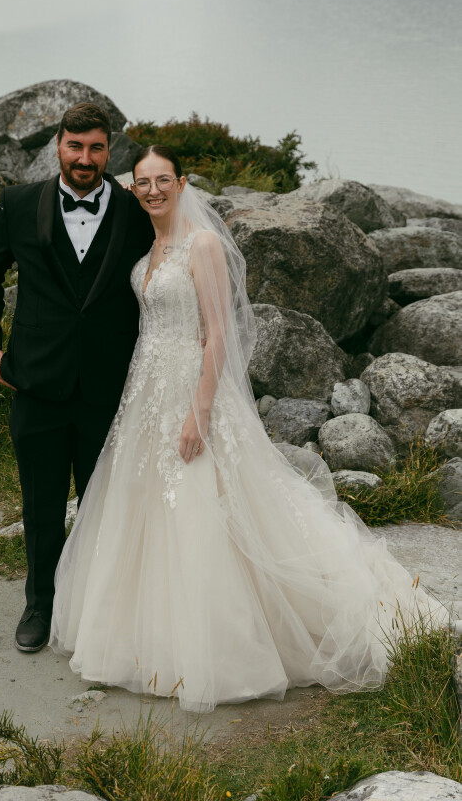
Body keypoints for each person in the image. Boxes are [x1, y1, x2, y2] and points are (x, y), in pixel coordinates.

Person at [49, 144, 447, 712]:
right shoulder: (150, 246)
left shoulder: (203, 244)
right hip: (146, 393)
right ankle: (144, 638)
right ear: (133, 189)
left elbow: (218, 334)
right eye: (143, 182)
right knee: (144, 506)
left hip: (192, 393)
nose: (154, 190)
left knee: (207, 504)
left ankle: (226, 646)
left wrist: (200, 412)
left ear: (182, 183)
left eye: (163, 180)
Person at [0, 102, 153, 653]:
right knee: (41, 504)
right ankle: (40, 604)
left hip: (109, 387)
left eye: (96, 148)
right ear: (57, 145)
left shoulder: (135, 210)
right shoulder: (19, 203)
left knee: (105, 505)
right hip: (37, 384)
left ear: (110, 150)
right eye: (75, 146)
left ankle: (97, 608)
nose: (85, 159)